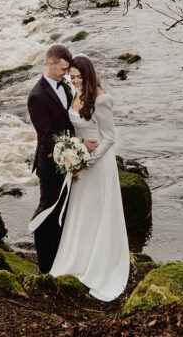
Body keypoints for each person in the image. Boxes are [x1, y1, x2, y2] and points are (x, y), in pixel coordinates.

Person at [45, 55, 129, 300]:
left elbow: (110, 138)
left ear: (89, 75)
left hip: (98, 165)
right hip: (79, 161)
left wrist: (87, 161)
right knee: (80, 212)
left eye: (79, 77)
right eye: (72, 77)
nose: (75, 81)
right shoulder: (74, 92)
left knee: (96, 212)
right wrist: (74, 150)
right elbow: (75, 129)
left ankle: (97, 265)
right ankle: (77, 260)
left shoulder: (102, 99)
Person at [27, 44, 75, 267]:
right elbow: (46, 137)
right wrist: (72, 154)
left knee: (64, 212)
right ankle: (45, 265)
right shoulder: (37, 96)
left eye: (67, 70)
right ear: (50, 63)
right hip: (50, 163)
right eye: (63, 69)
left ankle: (60, 258)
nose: (66, 74)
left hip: (69, 161)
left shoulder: (64, 86)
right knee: (47, 212)